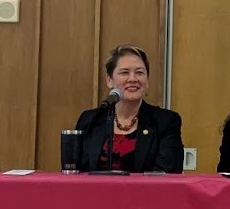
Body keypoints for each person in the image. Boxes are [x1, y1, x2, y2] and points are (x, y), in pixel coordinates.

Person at [72, 44, 184, 173]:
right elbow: (76, 170)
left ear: (147, 81)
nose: (133, 79)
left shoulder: (165, 121)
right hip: (94, 193)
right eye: (124, 72)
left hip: (146, 193)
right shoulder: (90, 119)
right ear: (109, 80)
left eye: (139, 72)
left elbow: (169, 171)